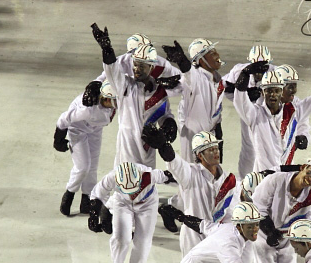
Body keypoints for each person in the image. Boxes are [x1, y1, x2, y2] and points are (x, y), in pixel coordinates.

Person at [232, 60, 311, 172]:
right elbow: (240, 101)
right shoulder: (256, 112)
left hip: (285, 173)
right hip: (263, 178)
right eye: (291, 86)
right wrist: (244, 74)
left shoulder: (294, 109)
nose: (294, 90)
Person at [91, 23, 179, 169]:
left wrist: (169, 123)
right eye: (135, 65)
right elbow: (112, 70)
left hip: (148, 148)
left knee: (147, 185)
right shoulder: (125, 86)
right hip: (127, 148)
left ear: (152, 67)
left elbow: (164, 114)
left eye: (141, 66)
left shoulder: (160, 92)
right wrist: (106, 49)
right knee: (126, 186)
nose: (136, 69)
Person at [142, 128, 237, 256]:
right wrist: (164, 146)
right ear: (199, 155)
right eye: (210, 149)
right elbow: (176, 163)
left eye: (216, 148)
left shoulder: (227, 179)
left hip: (217, 238)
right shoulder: (191, 174)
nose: (216, 152)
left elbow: (230, 211)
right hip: (193, 239)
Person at [87, 162, 174, 263]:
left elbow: (174, 176)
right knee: (121, 237)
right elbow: (97, 194)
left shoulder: (150, 175)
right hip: (123, 202)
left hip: (147, 203)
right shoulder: (112, 177)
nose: (133, 193)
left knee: (143, 241)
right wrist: (93, 214)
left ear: (139, 178)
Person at [53, 80, 117, 216]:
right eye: (114, 100)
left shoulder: (109, 104)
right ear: (105, 98)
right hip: (77, 129)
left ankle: (87, 199)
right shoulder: (88, 109)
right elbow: (64, 118)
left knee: (93, 165)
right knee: (83, 167)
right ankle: (69, 195)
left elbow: (104, 75)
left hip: (95, 129)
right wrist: (58, 138)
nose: (117, 104)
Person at [162, 38, 225, 163]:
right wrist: (181, 60)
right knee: (192, 176)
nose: (217, 55)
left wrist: (218, 131)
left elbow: (216, 110)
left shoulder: (217, 80)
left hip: (210, 136)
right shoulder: (197, 77)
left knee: (209, 177)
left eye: (215, 51)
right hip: (193, 137)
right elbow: (188, 73)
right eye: (212, 53)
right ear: (201, 60)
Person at [221, 44, 275, 177]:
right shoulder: (240, 71)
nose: (259, 73)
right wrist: (242, 96)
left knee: (270, 147)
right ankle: (246, 181)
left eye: (263, 68)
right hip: (249, 114)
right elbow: (223, 87)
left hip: (270, 117)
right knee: (249, 148)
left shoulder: (277, 73)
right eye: (257, 68)